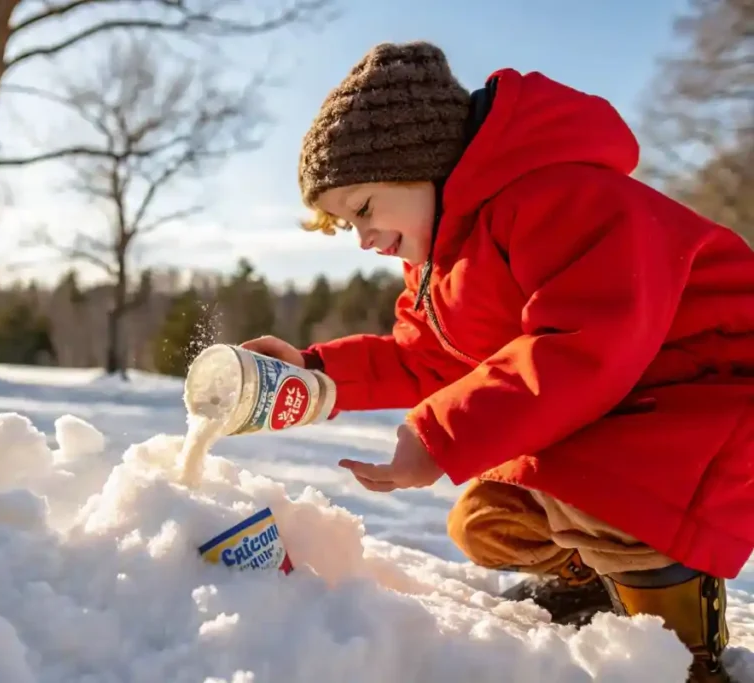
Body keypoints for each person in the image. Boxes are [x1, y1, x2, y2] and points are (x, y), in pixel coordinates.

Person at [241, 41, 754, 683]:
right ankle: (596, 587)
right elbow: (424, 358)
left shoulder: (564, 199)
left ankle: (680, 659)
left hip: (709, 398)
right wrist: (311, 370)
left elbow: (578, 346)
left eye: (364, 208)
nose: (363, 238)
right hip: (619, 406)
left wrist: (440, 436)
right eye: (346, 225)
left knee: (604, 493)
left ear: (420, 163)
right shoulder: (447, 262)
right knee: (491, 519)